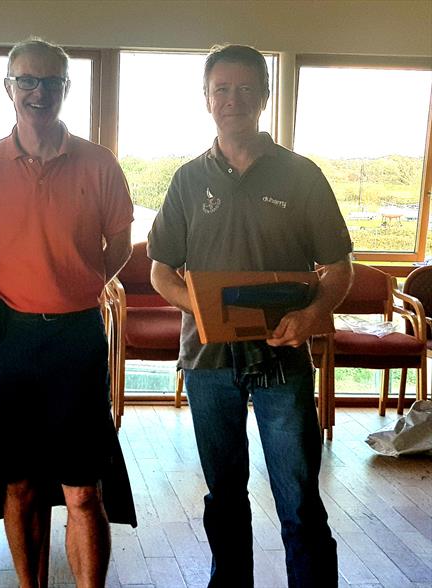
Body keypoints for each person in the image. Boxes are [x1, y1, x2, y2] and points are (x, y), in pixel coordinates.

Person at [148, 44, 352, 587]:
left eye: (244, 89)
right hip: (208, 360)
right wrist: (209, 308)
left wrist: (311, 317)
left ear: (263, 96)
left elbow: (338, 269)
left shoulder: (301, 175)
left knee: (299, 497)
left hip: (283, 358)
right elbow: (160, 272)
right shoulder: (188, 181)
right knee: (224, 494)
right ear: (206, 99)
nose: (232, 99)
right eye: (221, 89)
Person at [0, 38, 133, 588]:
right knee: (21, 485)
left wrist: (79, 281)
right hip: (8, 336)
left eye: (51, 81)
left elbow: (121, 243)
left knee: (84, 490)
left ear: (66, 89)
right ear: (8, 87)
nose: (39, 91)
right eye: (27, 80)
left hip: (78, 337)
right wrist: (9, 281)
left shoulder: (99, 163)